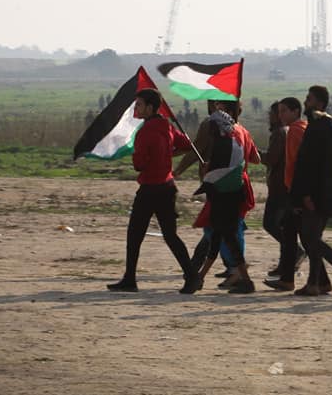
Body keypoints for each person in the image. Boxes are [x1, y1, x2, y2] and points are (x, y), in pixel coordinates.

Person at [107, 88, 199, 294]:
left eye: (139, 105)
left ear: (150, 108)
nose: (136, 109)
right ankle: (192, 276)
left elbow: (139, 164)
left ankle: (130, 279)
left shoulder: (145, 131)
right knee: (170, 235)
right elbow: (187, 145)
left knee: (135, 234)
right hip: (167, 187)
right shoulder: (166, 126)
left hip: (150, 189)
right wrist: (167, 155)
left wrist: (153, 156)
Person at [280, 85, 332, 296]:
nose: (305, 102)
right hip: (328, 189)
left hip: (315, 192)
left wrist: (305, 194)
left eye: (309, 99)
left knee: (310, 238)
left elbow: (308, 164)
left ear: (319, 102)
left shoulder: (317, 129)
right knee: (312, 237)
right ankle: (317, 284)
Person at [193, 105, 257, 293]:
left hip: (222, 197)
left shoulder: (222, 144)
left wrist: (206, 171)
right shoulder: (235, 141)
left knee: (225, 237)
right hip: (232, 195)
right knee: (218, 237)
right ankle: (200, 277)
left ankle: (245, 280)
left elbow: (214, 174)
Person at [265, 97, 313, 290]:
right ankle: (288, 276)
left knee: (296, 234)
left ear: (295, 111)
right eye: (277, 112)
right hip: (291, 189)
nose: (278, 115)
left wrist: (251, 152)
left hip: (286, 189)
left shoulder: (287, 132)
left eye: (283, 111)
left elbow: (288, 162)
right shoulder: (297, 129)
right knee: (293, 232)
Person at [259, 102, 303, 279]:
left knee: (271, 224)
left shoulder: (280, 133)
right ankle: (286, 263)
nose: (269, 116)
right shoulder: (286, 131)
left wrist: (252, 152)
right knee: (284, 227)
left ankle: (294, 253)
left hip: (279, 188)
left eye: (273, 113)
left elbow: (271, 159)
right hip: (284, 187)